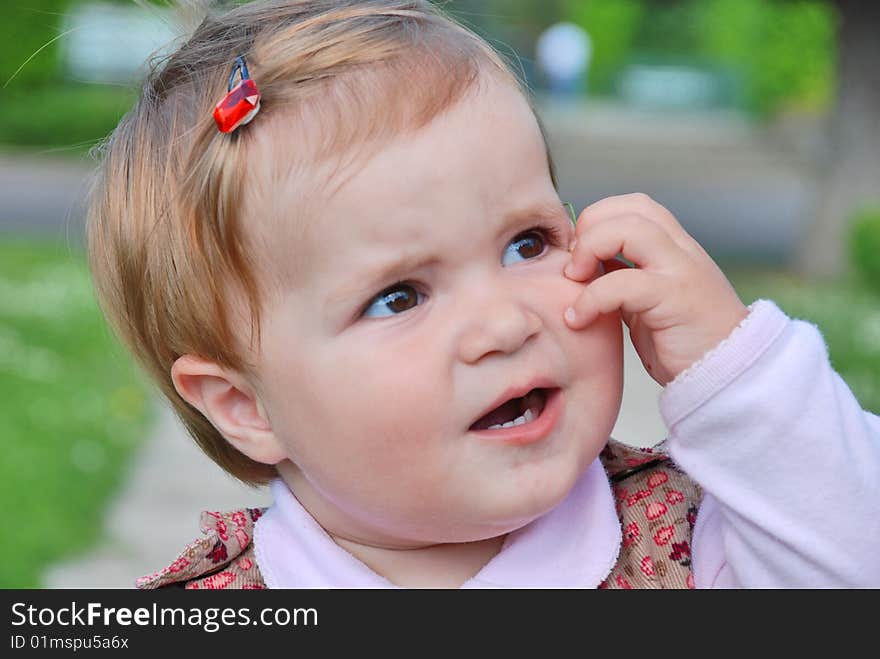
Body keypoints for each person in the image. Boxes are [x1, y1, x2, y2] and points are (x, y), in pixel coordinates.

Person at [87, 0, 880, 589]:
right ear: (244, 405)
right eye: (399, 296)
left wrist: (739, 372)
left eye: (526, 243)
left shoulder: (705, 534)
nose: (504, 321)